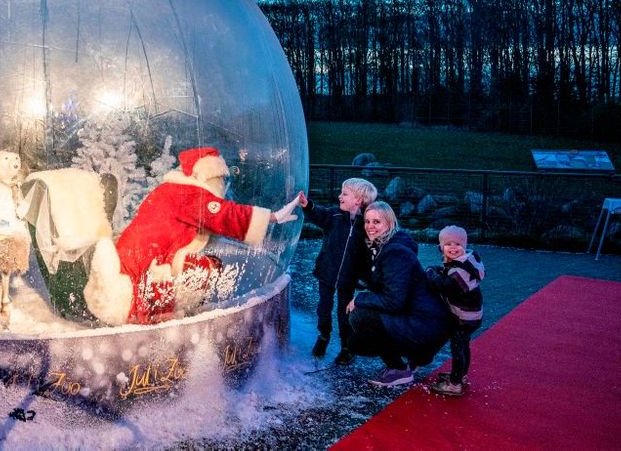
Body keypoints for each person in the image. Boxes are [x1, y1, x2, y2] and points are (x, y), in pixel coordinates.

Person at [84, 147, 300, 325]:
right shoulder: (188, 194)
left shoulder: (173, 189)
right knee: (201, 269)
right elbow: (224, 214)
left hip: (135, 263)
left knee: (199, 267)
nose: (223, 187)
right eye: (220, 180)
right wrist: (272, 217)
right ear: (208, 177)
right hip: (139, 269)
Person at [346, 201, 452, 387]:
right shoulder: (387, 245)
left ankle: (399, 369)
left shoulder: (395, 253)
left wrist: (360, 298)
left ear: (389, 223)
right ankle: (417, 356)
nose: (370, 227)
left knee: (359, 317)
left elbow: (394, 301)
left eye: (377, 222)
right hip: (421, 319)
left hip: (425, 324)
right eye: (367, 221)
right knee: (355, 343)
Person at [298, 178, 377, 365]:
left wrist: (366, 277)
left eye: (345, 193)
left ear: (358, 200)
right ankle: (324, 335)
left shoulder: (366, 226)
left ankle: (346, 347)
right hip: (327, 273)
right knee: (323, 308)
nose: (340, 196)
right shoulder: (334, 216)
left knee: (345, 313)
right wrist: (308, 205)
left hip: (348, 279)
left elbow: (369, 255)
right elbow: (319, 214)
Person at [425, 225, 485, 397]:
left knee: (458, 347)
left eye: (458, 244)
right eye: (448, 244)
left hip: (465, 317)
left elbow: (444, 286)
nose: (453, 247)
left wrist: (431, 272)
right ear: (441, 247)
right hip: (472, 315)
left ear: (464, 246)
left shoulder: (462, 270)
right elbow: (448, 273)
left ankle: (455, 384)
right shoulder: (465, 262)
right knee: (464, 345)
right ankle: (461, 375)